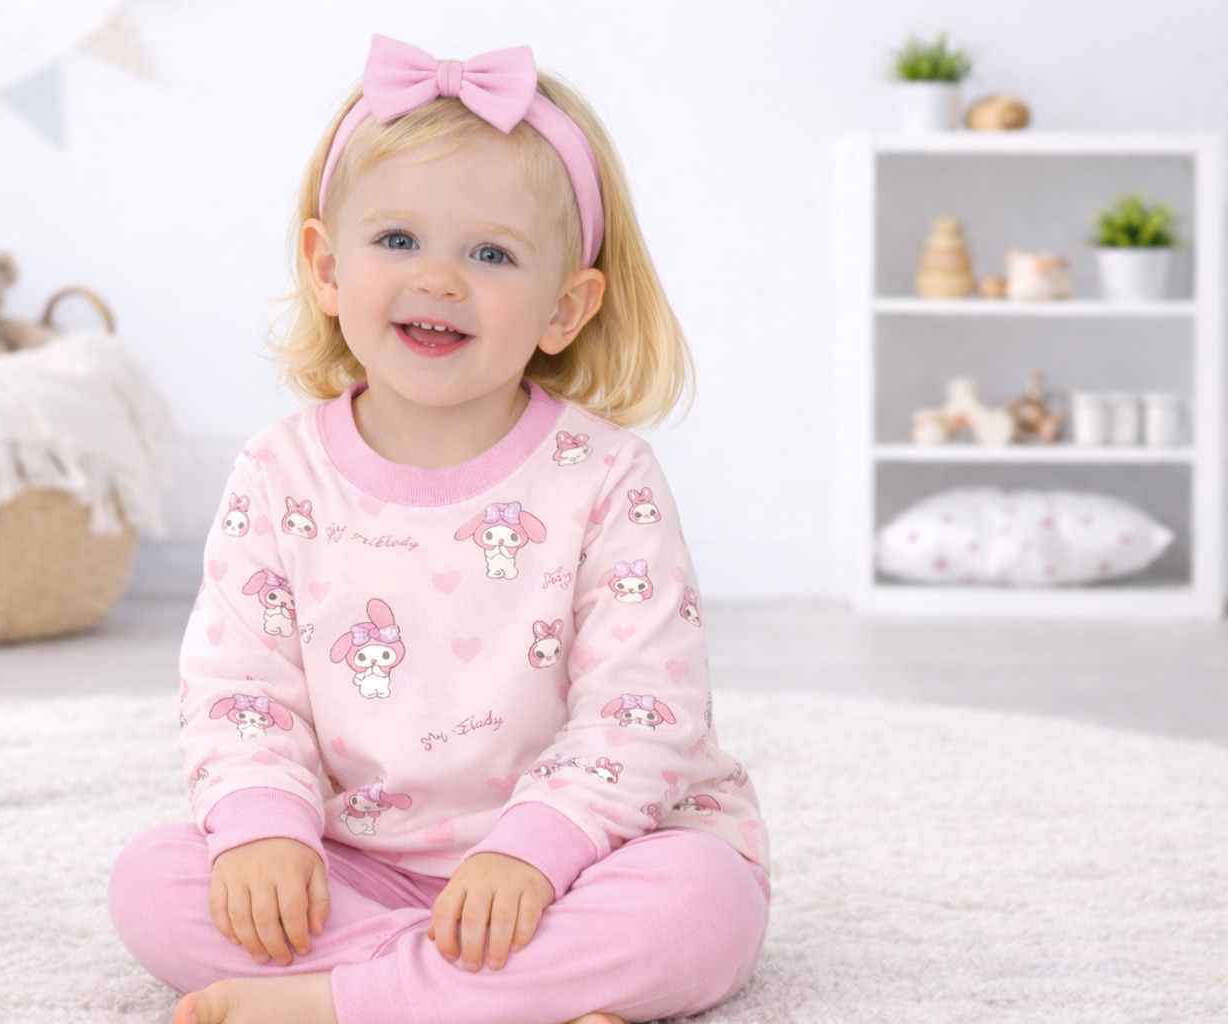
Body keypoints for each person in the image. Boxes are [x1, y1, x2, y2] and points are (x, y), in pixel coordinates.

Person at [108, 34, 770, 1024]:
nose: (440, 279)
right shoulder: (279, 473)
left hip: (583, 859)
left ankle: (340, 1003)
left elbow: (641, 709)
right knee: (154, 881)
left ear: (566, 307)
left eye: (492, 254)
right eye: (397, 240)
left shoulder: (605, 476)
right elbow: (242, 688)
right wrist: (266, 832)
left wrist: (533, 851)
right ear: (326, 268)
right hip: (361, 868)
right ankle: (493, 996)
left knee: (701, 905)